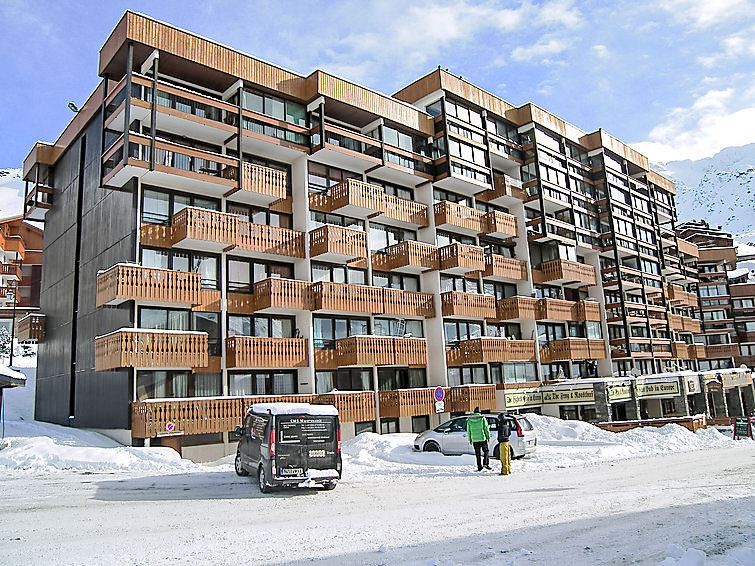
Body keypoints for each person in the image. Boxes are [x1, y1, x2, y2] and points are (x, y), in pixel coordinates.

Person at [466, 407, 491, 471]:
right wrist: (488, 437)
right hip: (482, 438)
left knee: (478, 454)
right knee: (486, 451)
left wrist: (470, 439)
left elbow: (468, 431)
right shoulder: (482, 418)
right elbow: (486, 428)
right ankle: (485, 463)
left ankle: (479, 467)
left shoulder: (469, 420)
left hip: (474, 439)